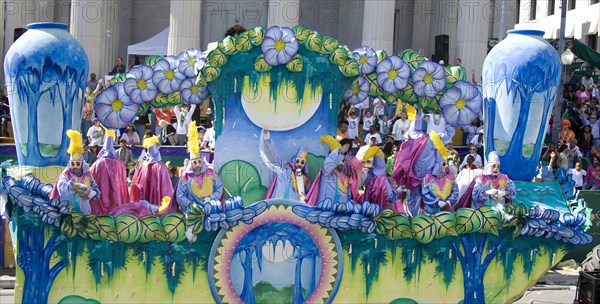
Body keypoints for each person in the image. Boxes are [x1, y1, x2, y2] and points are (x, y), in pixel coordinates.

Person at [175, 121, 224, 213]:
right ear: (191, 163)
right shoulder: (185, 178)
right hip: (191, 213)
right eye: (195, 162)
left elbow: (219, 187)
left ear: (202, 161)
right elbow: (180, 196)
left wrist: (210, 198)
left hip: (209, 211)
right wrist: (192, 205)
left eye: (199, 162)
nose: (197, 165)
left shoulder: (211, 174)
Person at [49, 130, 100, 215]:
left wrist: (91, 192)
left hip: (85, 213)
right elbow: (61, 188)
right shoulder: (65, 175)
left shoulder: (87, 175)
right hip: (68, 213)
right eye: (73, 163)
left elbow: (96, 190)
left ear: (82, 164)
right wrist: (72, 186)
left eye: (77, 163)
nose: (75, 166)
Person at [129, 135, 178, 213]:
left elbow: (136, 184)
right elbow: (166, 188)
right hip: (157, 200)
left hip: (144, 199)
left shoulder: (143, 166)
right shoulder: (161, 167)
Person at [260, 129, 311, 201]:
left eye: (302, 162)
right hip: (278, 201)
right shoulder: (285, 167)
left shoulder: (305, 179)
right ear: (295, 160)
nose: (299, 164)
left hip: (293, 205)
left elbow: (307, 195)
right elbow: (274, 156)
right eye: (298, 161)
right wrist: (267, 140)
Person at [89, 129, 129, 214]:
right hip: (116, 197)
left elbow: (90, 178)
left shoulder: (97, 163)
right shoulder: (119, 164)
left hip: (100, 196)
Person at [306, 137, 353, 205]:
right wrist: (339, 152)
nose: (341, 163)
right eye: (339, 160)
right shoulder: (327, 173)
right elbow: (328, 164)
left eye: (343, 161)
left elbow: (348, 196)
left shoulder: (344, 178)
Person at [359, 146, 398, 210]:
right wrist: (395, 191)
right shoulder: (383, 180)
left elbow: (364, 188)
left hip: (369, 210)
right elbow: (390, 196)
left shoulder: (370, 176)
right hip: (381, 212)